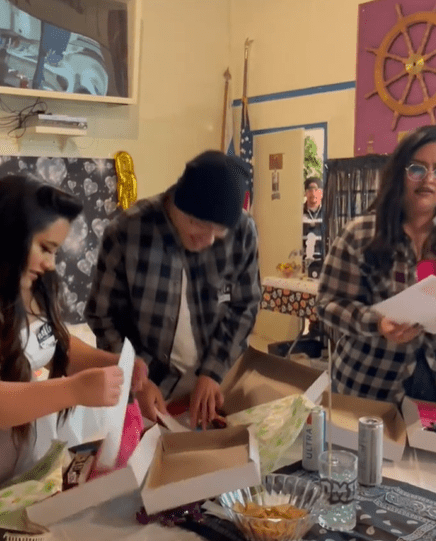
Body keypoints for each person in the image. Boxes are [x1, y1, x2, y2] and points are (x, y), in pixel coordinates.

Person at [85, 150, 261, 429]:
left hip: (219, 378)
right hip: (150, 383)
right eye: (198, 227)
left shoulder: (243, 231)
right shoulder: (128, 232)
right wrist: (136, 379)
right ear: (177, 204)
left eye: (219, 233)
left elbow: (245, 306)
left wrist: (213, 372)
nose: (207, 242)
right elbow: (103, 318)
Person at [0, 174, 149, 485]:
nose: (50, 264)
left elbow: (56, 344)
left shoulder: (32, 289)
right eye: (44, 247)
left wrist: (108, 362)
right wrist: (73, 390)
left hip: (26, 475)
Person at [317, 125, 436, 403]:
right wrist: (378, 323)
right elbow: (327, 303)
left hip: (429, 390)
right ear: (399, 174)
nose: (428, 179)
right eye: (417, 169)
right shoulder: (361, 233)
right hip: (368, 385)